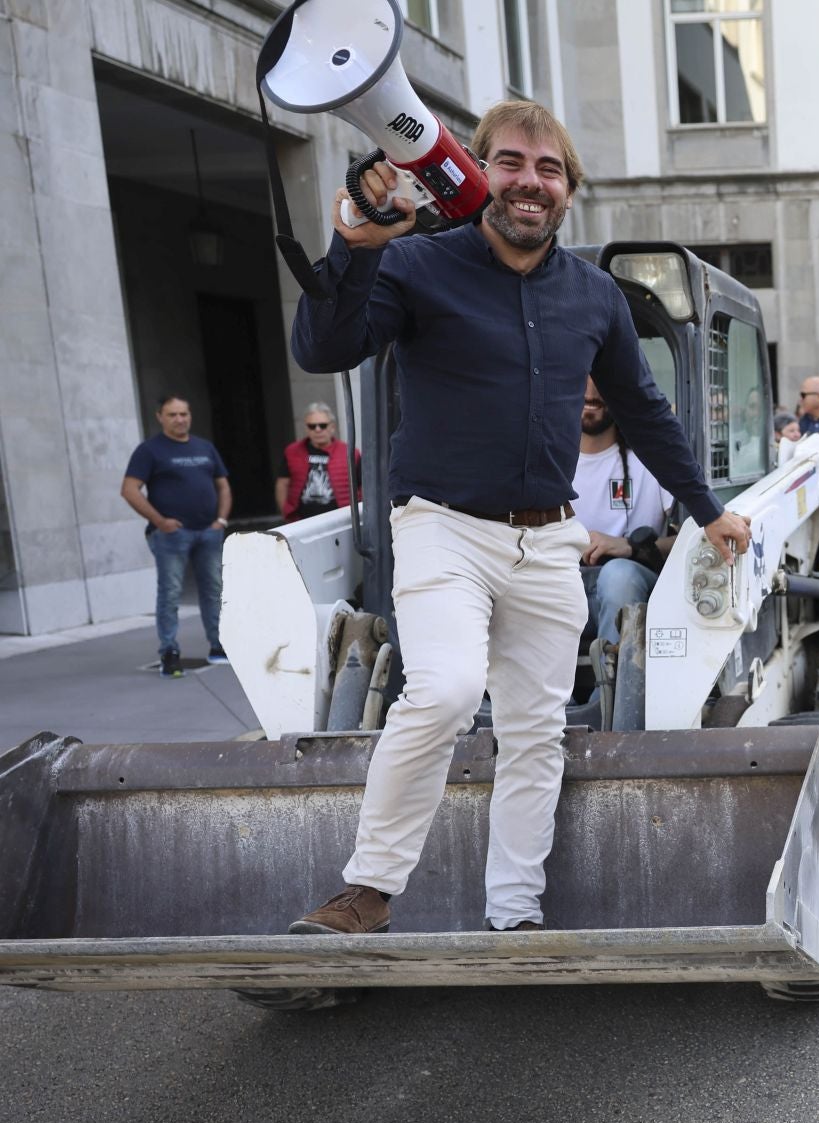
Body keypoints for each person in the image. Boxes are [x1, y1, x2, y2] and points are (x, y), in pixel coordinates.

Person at [286, 99, 750, 937]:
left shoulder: (595, 294)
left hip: (551, 540)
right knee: (448, 688)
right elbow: (323, 349)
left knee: (536, 733)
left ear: (568, 190)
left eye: (548, 170)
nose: (529, 183)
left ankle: (516, 914)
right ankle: (368, 891)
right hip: (442, 527)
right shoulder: (419, 264)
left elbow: (645, 410)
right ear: (476, 171)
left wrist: (707, 509)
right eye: (510, 163)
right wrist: (355, 247)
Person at [121, 394, 231, 676]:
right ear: (160, 416)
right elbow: (129, 489)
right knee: (169, 593)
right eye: (173, 415)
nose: (180, 419)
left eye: (184, 413)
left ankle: (219, 645)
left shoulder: (204, 447)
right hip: (171, 535)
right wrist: (159, 521)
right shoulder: (149, 451)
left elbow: (222, 485)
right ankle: (169, 650)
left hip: (208, 531)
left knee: (214, 590)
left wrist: (220, 519)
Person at [574, 376, 673, 646]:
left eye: (600, 382)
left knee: (618, 575)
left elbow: (696, 537)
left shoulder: (651, 459)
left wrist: (629, 547)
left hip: (630, 585)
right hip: (561, 588)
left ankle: (614, 687)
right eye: (582, 378)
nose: (590, 394)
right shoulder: (547, 460)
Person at [275, 402, 361, 521]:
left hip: (342, 521)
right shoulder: (292, 452)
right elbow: (282, 483)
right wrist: (287, 513)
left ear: (332, 427)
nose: (317, 429)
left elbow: (363, 486)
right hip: (301, 521)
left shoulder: (350, 452)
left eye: (323, 425)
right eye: (312, 426)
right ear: (306, 428)